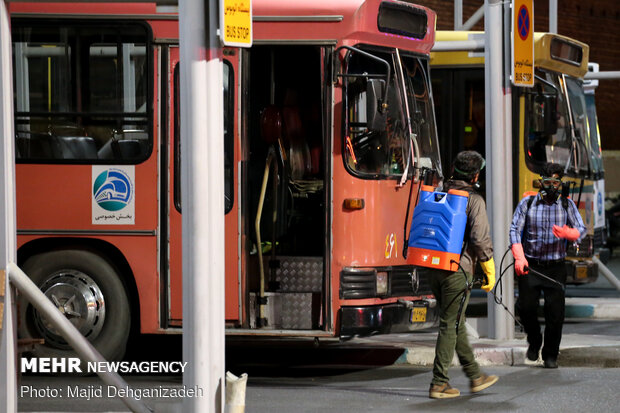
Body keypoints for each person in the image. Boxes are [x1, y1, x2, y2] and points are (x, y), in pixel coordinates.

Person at [428, 150, 498, 399]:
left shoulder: (439, 191)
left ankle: (475, 375)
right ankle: (439, 382)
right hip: (457, 271)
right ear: (475, 175)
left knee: (455, 322)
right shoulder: (474, 200)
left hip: (433, 267)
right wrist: (489, 268)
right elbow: (480, 240)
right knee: (450, 324)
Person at [509, 162, 586, 369]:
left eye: (556, 182)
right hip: (531, 265)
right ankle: (534, 341)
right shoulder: (528, 203)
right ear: (540, 182)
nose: (552, 186)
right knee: (525, 308)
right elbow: (515, 229)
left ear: (560, 183)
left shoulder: (566, 205)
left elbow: (581, 228)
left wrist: (571, 233)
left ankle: (551, 354)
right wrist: (519, 256)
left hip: (555, 267)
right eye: (548, 181)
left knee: (555, 312)